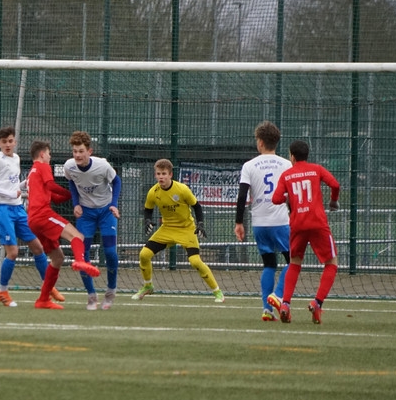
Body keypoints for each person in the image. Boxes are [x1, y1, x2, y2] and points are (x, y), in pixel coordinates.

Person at [0, 126, 64, 308]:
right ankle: (2, 291)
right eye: (4, 142)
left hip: (18, 209)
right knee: (13, 252)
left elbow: (12, 185)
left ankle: (48, 286)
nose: (8, 144)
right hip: (3, 209)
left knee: (38, 247)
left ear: (15, 142)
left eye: (10, 141)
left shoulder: (16, 159)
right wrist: (9, 194)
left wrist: (24, 184)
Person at [268, 140, 340, 324]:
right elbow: (335, 185)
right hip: (318, 223)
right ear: (307, 155)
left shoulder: (287, 175)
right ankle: (317, 303)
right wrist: (333, 201)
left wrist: (289, 198)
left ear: (292, 156)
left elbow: (275, 199)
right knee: (331, 263)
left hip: (297, 225)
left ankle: (285, 304)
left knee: (294, 263)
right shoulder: (316, 169)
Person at [133, 159, 225, 302]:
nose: (161, 177)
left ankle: (218, 292)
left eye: (164, 174)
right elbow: (148, 209)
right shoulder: (153, 192)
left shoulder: (182, 189)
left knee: (195, 261)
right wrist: (147, 220)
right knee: (144, 255)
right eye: (158, 174)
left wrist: (200, 224)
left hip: (186, 229)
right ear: (155, 175)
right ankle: (148, 286)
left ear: (170, 174)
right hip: (167, 229)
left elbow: (197, 206)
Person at [25, 140, 100, 310]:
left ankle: (43, 299)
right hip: (42, 215)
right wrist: (69, 192)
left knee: (57, 258)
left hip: (33, 220)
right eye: (49, 154)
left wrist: (74, 195)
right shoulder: (43, 166)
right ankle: (80, 261)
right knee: (77, 236)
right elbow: (51, 185)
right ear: (42, 154)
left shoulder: (32, 173)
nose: (50, 157)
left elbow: (56, 197)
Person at [235, 121, 292, 321]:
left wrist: (239, 222)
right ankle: (277, 295)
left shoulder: (249, 165)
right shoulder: (286, 164)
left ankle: (267, 310)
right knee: (293, 261)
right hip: (281, 221)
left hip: (259, 223)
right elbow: (291, 194)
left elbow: (242, 196)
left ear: (260, 142)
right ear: (276, 142)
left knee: (269, 264)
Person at [62, 131, 121, 310]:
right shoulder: (69, 167)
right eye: (75, 151)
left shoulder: (102, 166)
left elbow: (117, 182)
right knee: (82, 255)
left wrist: (114, 204)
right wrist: (76, 204)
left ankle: (110, 291)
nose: (77, 155)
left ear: (89, 151)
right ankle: (91, 295)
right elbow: (72, 183)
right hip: (86, 214)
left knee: (110, 252)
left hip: (106, 211)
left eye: (81, 151)